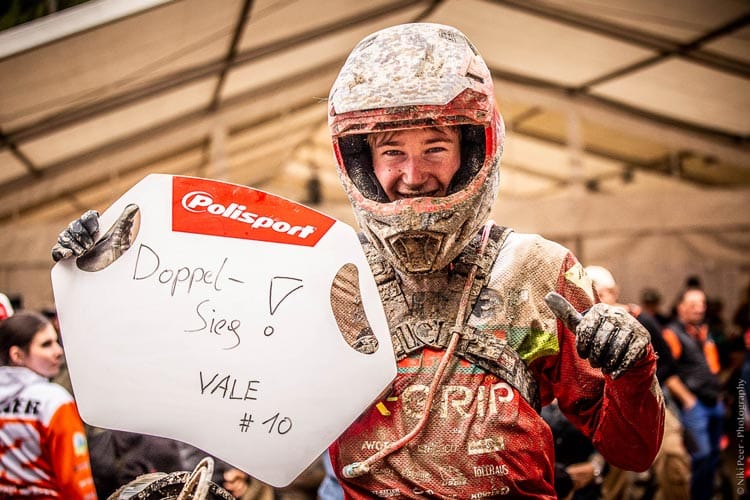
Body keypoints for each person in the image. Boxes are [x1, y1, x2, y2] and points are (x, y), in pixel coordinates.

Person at [52, 23, 664, 499]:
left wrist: (632, 369)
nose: (412, 174)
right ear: (360, 161)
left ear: (477, 147)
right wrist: (98, 277)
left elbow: (632, 452)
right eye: (391, 151)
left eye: (435, 147)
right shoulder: (322, 271)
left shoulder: (537, 271)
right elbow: (221, 378)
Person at [585, 265, 690, 500]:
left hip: (646, 400)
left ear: (615, 292)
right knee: (615, 472)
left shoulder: (639, 318)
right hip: (603, 408)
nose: (599, 300)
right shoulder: (580, 327)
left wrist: (641, 376)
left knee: (674, 460)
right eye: (592, 294)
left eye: (604, 293)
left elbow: (668, 364)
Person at [0, 311, 98, 499]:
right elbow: (76, 481)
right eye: (46, 344)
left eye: (55, 341)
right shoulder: (54, 402)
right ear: (17, 355)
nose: (58, 351)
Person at [662, 287, 724, 500]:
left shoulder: (703, 331)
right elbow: (667, 373)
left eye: (702, 304)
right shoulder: (672, 333)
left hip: (713, 401)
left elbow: (711, 366)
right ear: (681, 307)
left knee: (714, 455)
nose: (699, 309)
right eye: (693, 305)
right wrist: (688, 400)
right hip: (695, 406)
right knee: (701, 456)